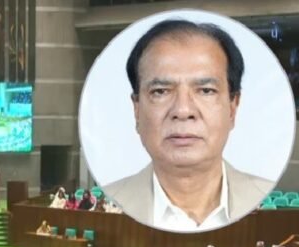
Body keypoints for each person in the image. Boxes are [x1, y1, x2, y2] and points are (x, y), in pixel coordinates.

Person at [102, 20, 273, 232]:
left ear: (232, 107)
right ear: (137, 109)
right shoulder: (109, 204)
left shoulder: (265, 203)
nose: (183, 111)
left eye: (206, 91)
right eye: (161, 91)